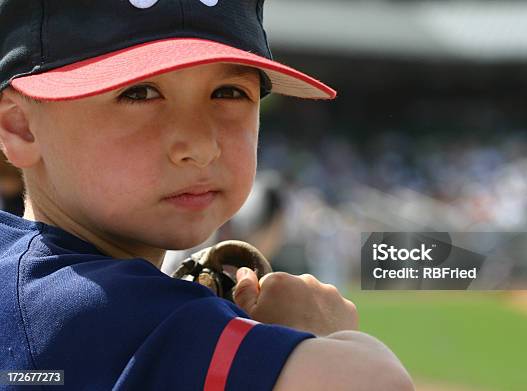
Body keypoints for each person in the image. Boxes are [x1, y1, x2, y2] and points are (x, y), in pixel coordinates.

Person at [0, 1, 413, 390]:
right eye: (139, 93)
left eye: (229, 93)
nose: (200, 145)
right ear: (21, 127)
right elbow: (376, 382)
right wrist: (317, 331)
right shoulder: (98, 309)